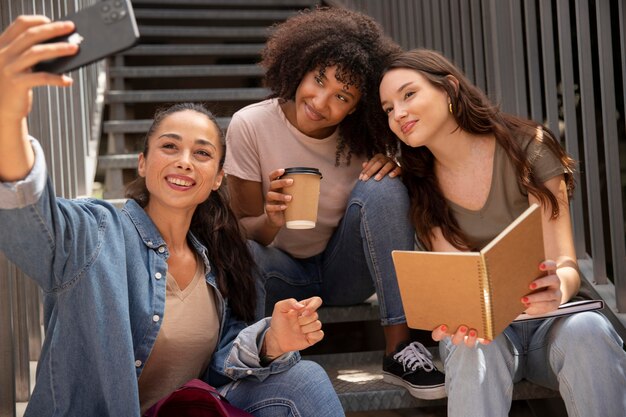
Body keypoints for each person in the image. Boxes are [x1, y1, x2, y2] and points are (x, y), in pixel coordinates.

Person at [0, 15, 346, 417]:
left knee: (305, 378)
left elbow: (221, 365)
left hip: (186, 409)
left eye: (201, 153)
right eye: (169, 146)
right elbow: (29, 217)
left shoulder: (223, 259)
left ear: (218, 178)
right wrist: (8, 116)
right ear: (142, 163)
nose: (184, 162)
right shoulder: (95, 233)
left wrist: (271, 342)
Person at [378, 48, 626, 416]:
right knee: (470, 346)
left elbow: (565, 261)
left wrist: (559, 286)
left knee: (589, 328)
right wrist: (457, 313)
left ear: (448, 90)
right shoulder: (417, 183)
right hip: (481, 336)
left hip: (550, 325)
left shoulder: (528, 146)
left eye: (408, 94)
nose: (398, 114)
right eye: (387, 109)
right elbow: (456, 279)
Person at [223, 7, 446, 400]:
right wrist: (272, 218)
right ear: (302, 66)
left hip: (346, 272)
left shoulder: (369, 137)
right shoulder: (250, 125)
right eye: (319, 80)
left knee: (384, 187)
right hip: (281, 271)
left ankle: (398, 347)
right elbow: (242, 228)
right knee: (248, 253)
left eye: (342, 96)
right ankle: (250, 363)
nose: (320, 102)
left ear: (358, 106)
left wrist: (397, 167)